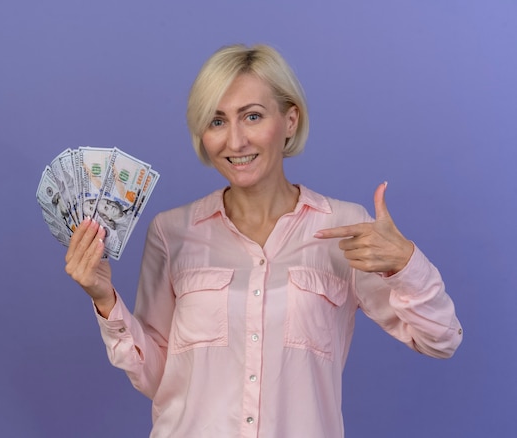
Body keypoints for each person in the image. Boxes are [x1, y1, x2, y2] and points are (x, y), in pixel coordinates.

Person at [64, 44, 463, 437]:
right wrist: (104, 300)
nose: (235, 142)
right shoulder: (171, 232)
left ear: (290, 121)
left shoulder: (346, 227)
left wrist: (404, 263)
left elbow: (440, 339)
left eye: (252, 116)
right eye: (217, 121)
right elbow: (156, 377)